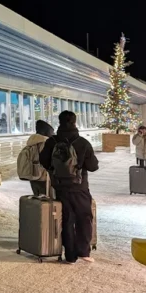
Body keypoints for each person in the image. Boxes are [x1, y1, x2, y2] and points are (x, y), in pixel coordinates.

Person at [40, 110, 99, 264]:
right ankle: (83, 251)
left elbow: (44, 161)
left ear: (59, 122)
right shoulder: (83, 143)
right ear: (75, 122)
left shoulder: (51, 142)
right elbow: (93, 166)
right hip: (79, 188)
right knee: (84, 218)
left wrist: (56, 171)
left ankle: (70, 256)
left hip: (60, 187)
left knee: (66, 220)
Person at [21, 120, 55, 196]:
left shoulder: (31, 144)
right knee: (48, 203)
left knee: (38, 202)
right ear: (46, 132)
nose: (53, 134)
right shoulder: (46, 144)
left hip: (34, 177)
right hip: (45, 179)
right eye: (52, 132)